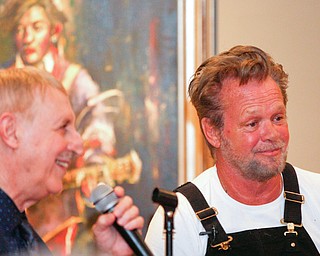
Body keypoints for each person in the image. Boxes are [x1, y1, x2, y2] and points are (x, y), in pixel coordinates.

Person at [145, 45, 320, 255]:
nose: (272, 134)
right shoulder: (179, 219)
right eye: (252, 123)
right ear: (213, 132)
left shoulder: (316, 195)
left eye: (278, 118)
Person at [0, 1, 142, 253]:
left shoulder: (20, 230)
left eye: (36, 27)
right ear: (10, 132)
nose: (78, 145)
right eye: (63, 127)